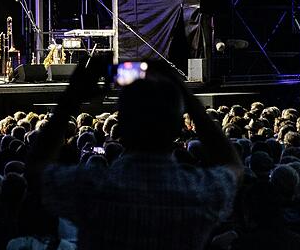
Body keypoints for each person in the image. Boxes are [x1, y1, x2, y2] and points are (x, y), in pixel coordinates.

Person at [29, 58, 242, 250]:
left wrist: (70, 98)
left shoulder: (94, 187)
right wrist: (186, 93)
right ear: (179, 128)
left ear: (121, 126)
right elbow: (232, 164)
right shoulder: (198, 192)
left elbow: (36, 170)